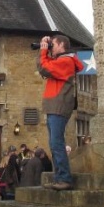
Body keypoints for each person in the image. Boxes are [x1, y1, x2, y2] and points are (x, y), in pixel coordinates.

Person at [38, 34, 84, 191]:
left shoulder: (66, 61)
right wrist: (45, 51)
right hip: (54, 106)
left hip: (59, 106)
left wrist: (44, 51)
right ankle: (59, 178)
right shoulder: (60, 61)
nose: (52, 46)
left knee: (57, 142)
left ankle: (64, 178)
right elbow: (43, 67)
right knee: (53, 143)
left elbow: (44, 67)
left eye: (54, 44)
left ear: (62, 45)